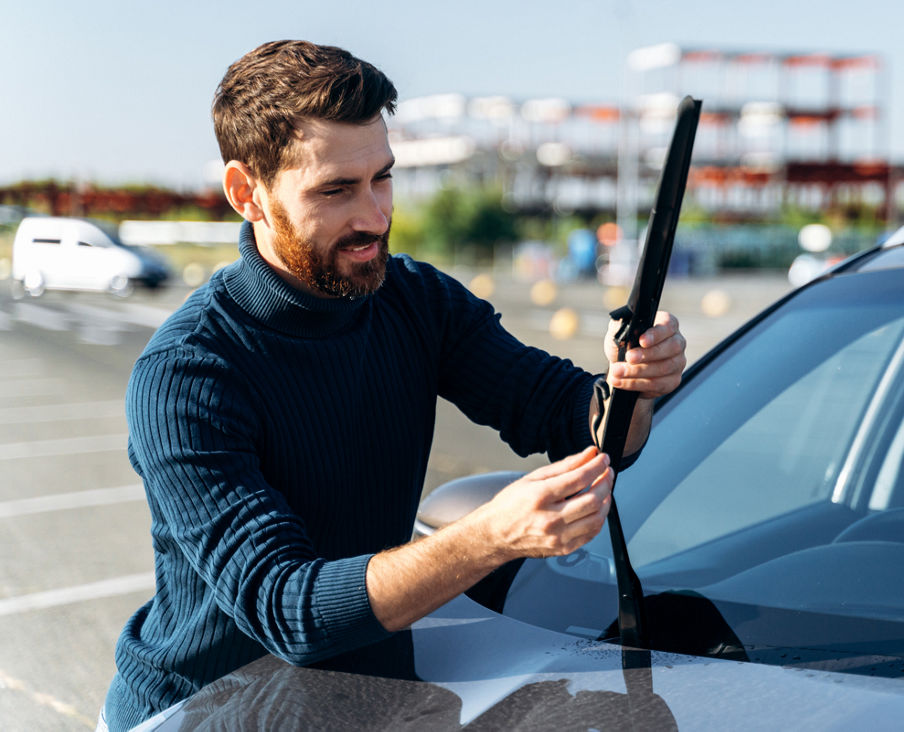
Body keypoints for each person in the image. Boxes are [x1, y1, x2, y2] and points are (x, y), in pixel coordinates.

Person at [102, 40, 686, 730]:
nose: (375, 217)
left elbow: (568, 417)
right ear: (246, 194)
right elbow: (289, 612)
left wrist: (632, 388)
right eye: (335, 191)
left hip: (365, 703)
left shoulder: (416, 302)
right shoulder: (188, 375)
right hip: (204, 711)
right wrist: (489, 537)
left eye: (382, 178)